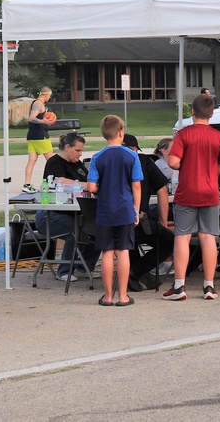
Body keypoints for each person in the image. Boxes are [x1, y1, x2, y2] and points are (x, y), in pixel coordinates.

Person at [164, 94, 220, 301]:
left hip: (187, 192)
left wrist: (187, 166)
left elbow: (173, 162)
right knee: (208, 238)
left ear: (192, 112)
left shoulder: (184, 134)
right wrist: (212, 170)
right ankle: (209, 286)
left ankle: (179, 286)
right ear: (212, 114)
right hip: (210, 192)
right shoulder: (218, 137)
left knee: (182, 237)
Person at [86, 115, 142, 307]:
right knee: (123, 251)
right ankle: (123, 295)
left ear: (104, 134)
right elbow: (136, 186)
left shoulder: (97, 157)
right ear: (121, 133)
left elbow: (91, 187)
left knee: (107, 252)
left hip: (105, 211)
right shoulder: (132, 156)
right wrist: (136, 210)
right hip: (125, 209)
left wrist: (103, 188)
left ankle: (108, 296)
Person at [37, 132, 99, 283]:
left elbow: (88, 180)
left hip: (74, 212)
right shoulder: (54, 162)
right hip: (50, 215)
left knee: (99, 228)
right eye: (77, 150)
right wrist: (90, 186)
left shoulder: (78, 164)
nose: (80, 153)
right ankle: (64, 270)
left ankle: (84, 266)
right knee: (75, 230)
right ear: (67, 147)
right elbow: (62, 181)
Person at [122, 134, 172, 293]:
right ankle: (135, 272)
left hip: (110, 224)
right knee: (170, 242)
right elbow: (163, 190)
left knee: (128, 241)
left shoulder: (105, 159)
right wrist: (163, 223)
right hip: (138, 220)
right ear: (135, 149)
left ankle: (132, 274)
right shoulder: (143, 161)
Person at [23, 87, 55, 194]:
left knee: (32, 161)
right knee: (52, 161)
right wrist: (43, 121)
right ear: (46, 94)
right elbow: (32, 118)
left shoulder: (36, 103)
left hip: (32, 136)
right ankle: (53, 183)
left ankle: (26, 185)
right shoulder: (39, 104)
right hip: (41, 136)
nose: (50, 97)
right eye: (49, 95)